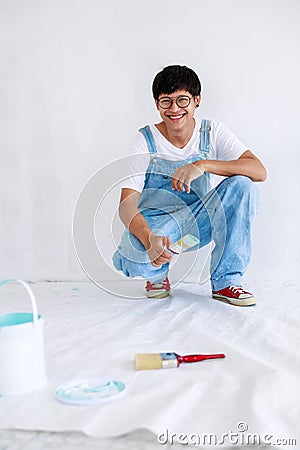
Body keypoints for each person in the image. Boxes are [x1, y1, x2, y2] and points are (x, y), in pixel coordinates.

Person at [113, 65, 266, 306]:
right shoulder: (144, 140)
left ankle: (226, 281)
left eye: (182, 100)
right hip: (159, 227)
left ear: (197, 100)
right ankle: (158, 271)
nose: (174, 109)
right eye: (166, 102)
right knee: (133, 259)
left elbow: (258, 171)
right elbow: (126, 205)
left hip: (199, 222)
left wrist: (203, 165)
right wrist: (149, 238)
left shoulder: (213, 132)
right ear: (157, 104)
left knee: (243, 186)